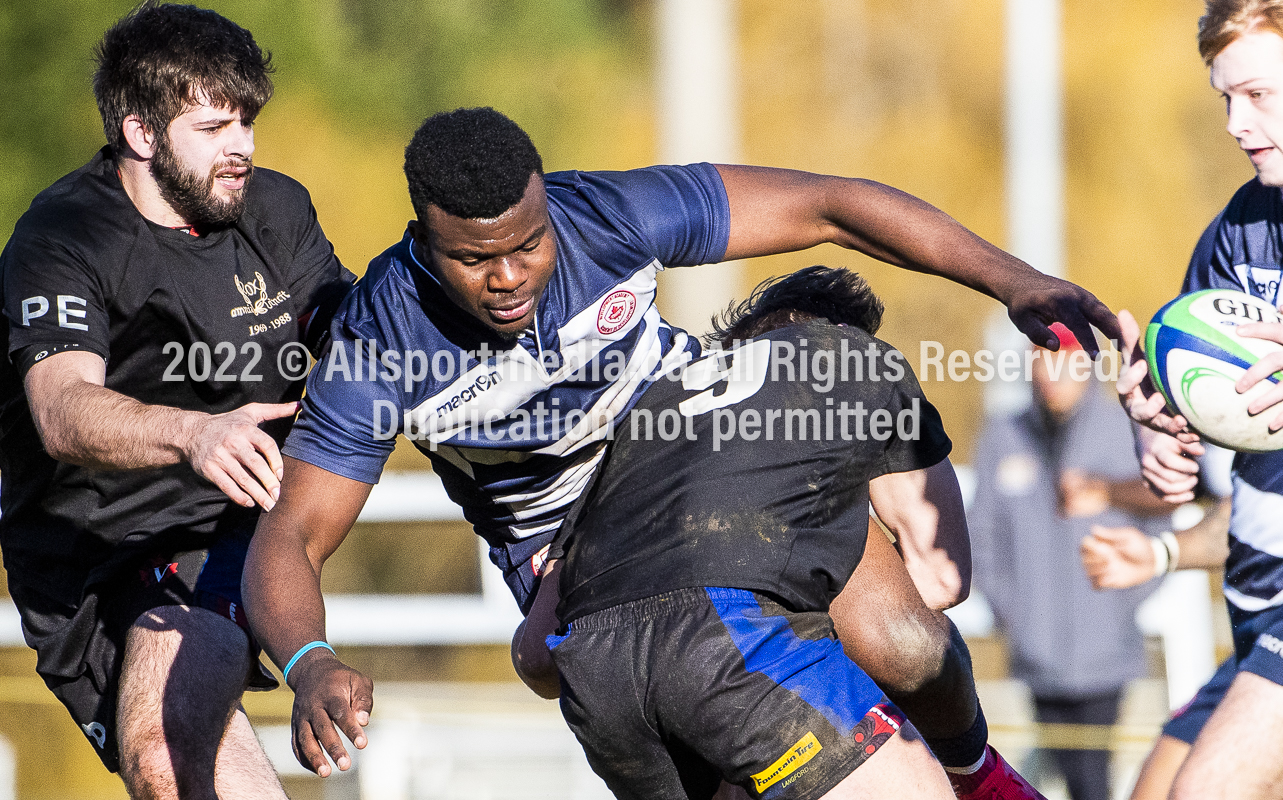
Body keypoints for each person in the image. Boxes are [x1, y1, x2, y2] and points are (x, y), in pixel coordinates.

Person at [240, 106, 1118, 780]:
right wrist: (310, 659)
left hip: (703, 463)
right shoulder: (377, 343)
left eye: (528, 245)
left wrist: (1015, 282)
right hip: (573, 550)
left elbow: (831, 208)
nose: (508, 279)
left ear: (549, 207)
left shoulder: (608, 213)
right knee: (592, 691)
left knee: (904, 642)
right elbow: (293, 534)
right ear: (423, 241)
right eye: (475, 260)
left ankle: (978, 778)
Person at [509, 266, 1049, 799]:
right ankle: (981, 778)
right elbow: (939, 579)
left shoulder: (644, 416)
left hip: (600, 686)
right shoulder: (858, 359)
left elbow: (537, 656)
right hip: (729, 640)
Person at [0, 4, 353, 798]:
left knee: (166, 751)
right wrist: (194, 433)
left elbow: (350, 334)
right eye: (214, 127)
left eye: (249, 122)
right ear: (141, 134)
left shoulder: (276, 209)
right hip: (77, 560)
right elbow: (61, 410)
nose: (244, 149)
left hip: (215, 526)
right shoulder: (63, 238)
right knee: (182, 776)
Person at [1114, 2, 1283, 797]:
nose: (1234, 121)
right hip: (1255, 607)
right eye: (1223, 99)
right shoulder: (1238, 232)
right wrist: (1155, 425)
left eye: (1258, 95)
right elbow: (1178, 382)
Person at [969, 325, 1171, 800]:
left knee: (1091, 781)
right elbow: (982, 537)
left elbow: (1161, 523)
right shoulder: (1004, 434)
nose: (1054, 372)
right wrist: (1015, 616)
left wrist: (1121, 603)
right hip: (1033, 656)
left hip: (1107, 656)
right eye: (1043, 357)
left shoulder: (1124, 429)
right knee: (1036, 776)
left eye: (1066, 359)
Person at [1080, 500, 1231, 800]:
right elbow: (1252, 514)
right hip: (1252, 657)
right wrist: (1159, 554)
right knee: (1162, 787)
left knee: (1199, 785)